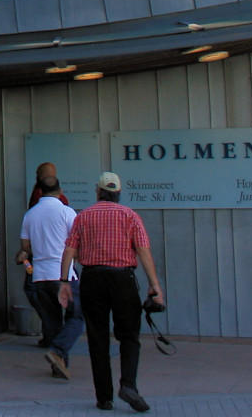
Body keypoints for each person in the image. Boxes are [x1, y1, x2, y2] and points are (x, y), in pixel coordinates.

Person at [59, 172, 162, 413]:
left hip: (92, 278)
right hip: (122, 278)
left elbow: (69, 250)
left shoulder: (83, 216)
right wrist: (154, 284)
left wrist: (64, 281)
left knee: (97, 337)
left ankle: (104, 398)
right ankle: (129, 385)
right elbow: (143, 251)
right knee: (129, 335)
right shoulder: (130, 216)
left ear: (98, 191)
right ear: (118, 193)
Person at [17, 174, 83, 380]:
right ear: (60, 192)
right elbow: (75, 243)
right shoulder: (67, 212)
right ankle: (58, 351)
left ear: (39, 192)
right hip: (63, 275)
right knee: (77, 315)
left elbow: (25, 246)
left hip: (40, 276)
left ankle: (59, 366)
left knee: (52, 321)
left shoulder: (30, 215)